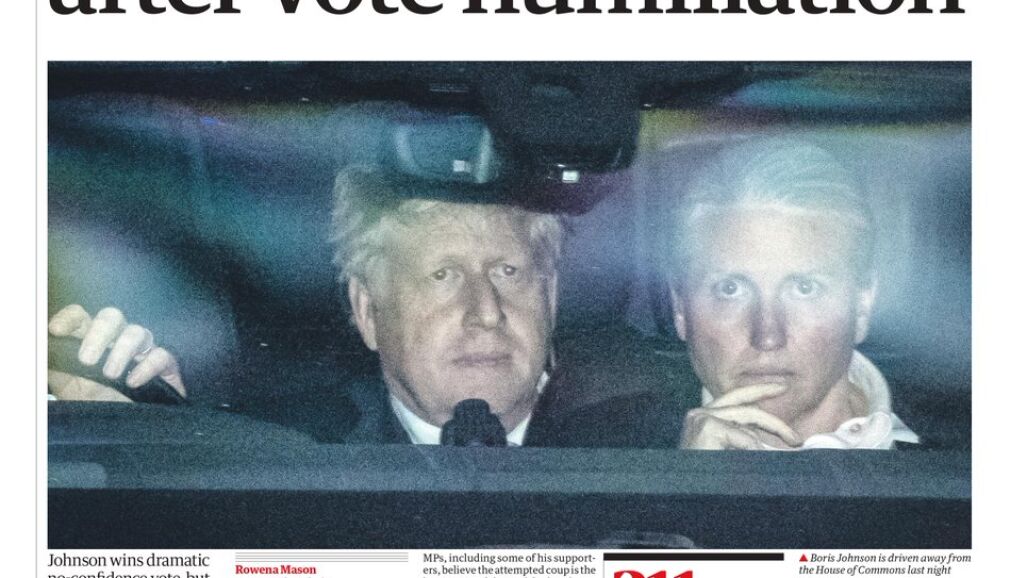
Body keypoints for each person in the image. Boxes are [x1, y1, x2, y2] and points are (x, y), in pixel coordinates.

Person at [48, 165, 681, 448]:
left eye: (508, 272)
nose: (485, 311)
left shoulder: (659, 447)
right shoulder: (283, 449)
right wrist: (155, 443)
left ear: (551, 295)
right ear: (368, 310)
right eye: (443, 275)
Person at [667, 138, 919, 450]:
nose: (768, 337)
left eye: (804, 288)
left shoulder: (963, 453)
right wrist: (688, 475)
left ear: (862, 305)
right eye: (730, 289)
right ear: (680, 307)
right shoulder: (615, 456)